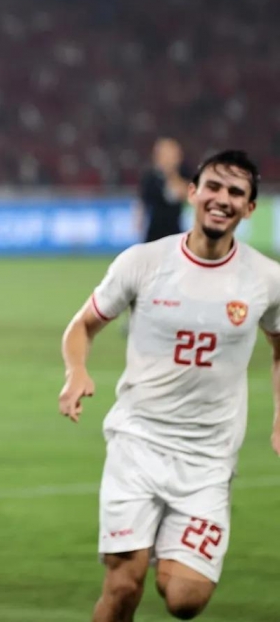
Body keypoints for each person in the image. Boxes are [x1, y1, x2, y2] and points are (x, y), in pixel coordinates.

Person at [59, 150, 280, 621]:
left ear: (249, 208)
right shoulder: (144, 261)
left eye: (236, 192)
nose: (222, 199)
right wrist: (76, 370)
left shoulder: (266, 279)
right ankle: (142, 547)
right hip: (137, 445)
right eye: (213, 187)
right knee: (123, 586)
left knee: (184, 598)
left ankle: (166, 545)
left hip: (208, 459)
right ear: (192, 192)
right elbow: (82, 325)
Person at [136, 138, 191, 243]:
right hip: (154, 233)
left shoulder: (183, 173)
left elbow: (185, 194)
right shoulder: (150, 177)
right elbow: (142, 202)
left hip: (175, 231)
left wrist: (172, 174)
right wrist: (139, 221)